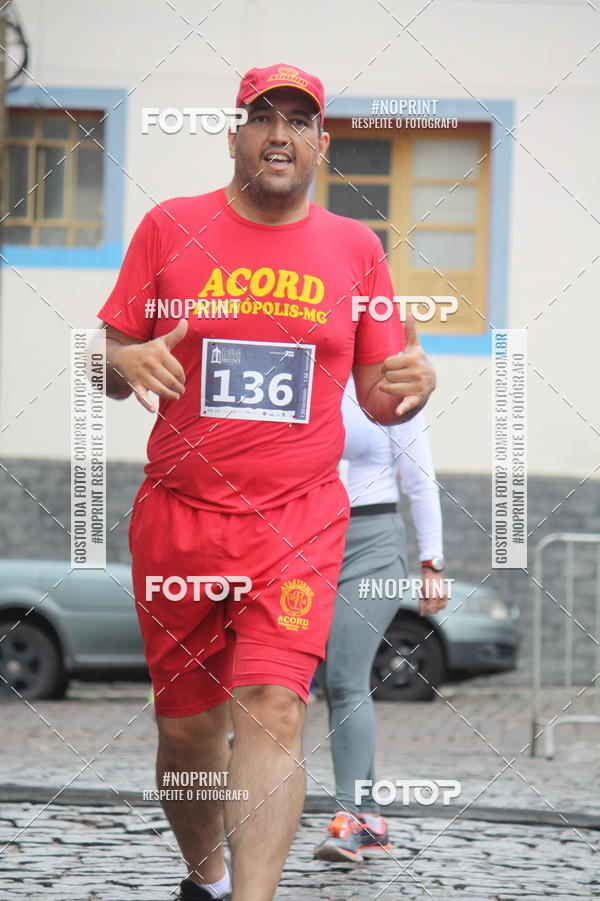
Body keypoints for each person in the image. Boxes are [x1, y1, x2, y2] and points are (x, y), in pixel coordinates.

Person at [97, 63, 436, 901]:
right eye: (261, 116)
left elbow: (377, 393)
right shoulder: (169, 228)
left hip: (299, 520)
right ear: (234, 133)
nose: (280, 133)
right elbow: (108, 360)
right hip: (178, 519)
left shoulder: (357, 249)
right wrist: (119, 358)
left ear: (322, 143)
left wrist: (408, 391)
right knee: (187, 733)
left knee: (273, 706)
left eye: (299, 120)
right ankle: (205, 878)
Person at [313, 375, 447, 862]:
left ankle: (348, 820)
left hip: (372, 545)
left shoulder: (389, 384)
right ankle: (370, 820)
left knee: (346, 678)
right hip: (306, 538)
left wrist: (432, 563)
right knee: (332, 682)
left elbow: (419, 478)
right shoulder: (301, 368)